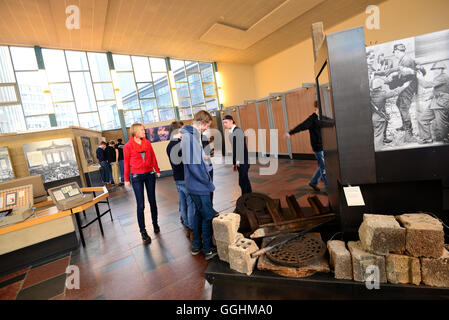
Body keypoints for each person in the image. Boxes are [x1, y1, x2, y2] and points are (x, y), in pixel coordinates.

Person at [181, 110, 217, 260]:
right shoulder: (190, 138)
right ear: (201, 123)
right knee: (208, 216)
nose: (205, 129)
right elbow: (194, 166)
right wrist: (207, 181)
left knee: (198, 214)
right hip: (198, 185)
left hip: (194, 184)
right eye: (206, 126)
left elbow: (196, 158)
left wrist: (203, 157)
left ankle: (196, 245)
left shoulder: (191, 136)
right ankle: (207, 249)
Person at [124, 123, 161, 244]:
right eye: (142, 130)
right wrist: (126, 179)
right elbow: (126, 163)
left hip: (150, 174)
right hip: (137, 177)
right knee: (141, 205)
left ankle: (155, 223)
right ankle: (143, 231)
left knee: (153, 201)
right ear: (135, 132)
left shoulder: (147, 143)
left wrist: (157, 169)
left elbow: (153, 157)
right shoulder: (128, 146)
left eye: (144, 130)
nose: (144, 132)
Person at [283, 101, 330, 193]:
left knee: (322, 165)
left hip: (325, 146)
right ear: (316, 108)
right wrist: (290, 133)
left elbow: (332, 122)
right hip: (317, 147)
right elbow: (301, 126)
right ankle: (328, 188)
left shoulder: (323, 118)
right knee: (324, 167)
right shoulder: (311, 119)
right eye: (319, 108)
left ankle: (313, 182)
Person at [387, 43, 427, 141]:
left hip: (408, 86)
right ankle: (405, 125)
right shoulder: (404, 59)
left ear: (397, 51)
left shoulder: (406, 60)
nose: (395, 55)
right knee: (398, 103)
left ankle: (409, 133)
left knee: (404, 107)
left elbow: (404, 75)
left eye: (395, 53)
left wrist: (392, 80)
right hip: (406, 85)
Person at [166, 121, 195, 241]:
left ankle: (187, 226)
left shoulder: (169, 145)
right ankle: (193, 228)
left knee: (183, 204)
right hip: (185, 177)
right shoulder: (180, 144)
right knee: (190, 204)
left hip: (177, 178)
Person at [370, 78, 411, 149]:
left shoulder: (371, 94)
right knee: (378, 135)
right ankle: (378, 149)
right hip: (379, 117)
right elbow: (395, 92)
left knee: (379, 131)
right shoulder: (382, 94)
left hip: (375, 115)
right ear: (380, 86)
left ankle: (382, 141)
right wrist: (404, 86)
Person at [417, 61, 449, 143]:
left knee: (441, 124)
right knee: (422, 119)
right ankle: (427, 138)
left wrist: (420, 78)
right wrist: (429, 97)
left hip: (441, 103)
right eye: (434, 69)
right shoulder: (438, 78)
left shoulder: (443, 77)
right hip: (434, 103)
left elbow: (427, 85)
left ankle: (446, 139)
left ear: (442, 69)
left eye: (437, 69)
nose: (435, 71)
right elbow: (437, 89)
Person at [222, 115, 252, 195]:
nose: (224, 124)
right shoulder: (232, 132)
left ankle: (247, 198)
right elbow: (234, 149)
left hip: (243, 161)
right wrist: (234, 163)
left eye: (226, 122)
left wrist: (238, 160)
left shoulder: (237, 131)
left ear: (231, 121)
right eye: (224, 123)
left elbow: (240, 146)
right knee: (243, 181)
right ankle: (247, 198)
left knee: (243, 182)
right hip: (240, 161)